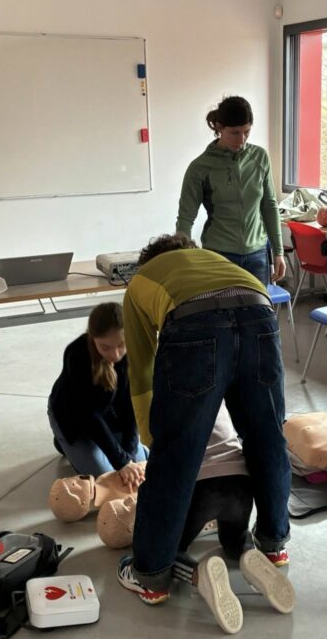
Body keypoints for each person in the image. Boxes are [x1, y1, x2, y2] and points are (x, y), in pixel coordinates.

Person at [116, 233, 292, 605]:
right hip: (259, 313)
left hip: (194, 323)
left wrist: (154, 439)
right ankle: (274, 545)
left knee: (175, 456)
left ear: (148, 262)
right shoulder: (215, 259)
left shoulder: (142, 280)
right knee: (268, 437)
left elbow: (141, 369)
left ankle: (151, 576)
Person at [115, 402, 296, 634]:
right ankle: (248, 553)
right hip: (239, 483)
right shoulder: (216, 393)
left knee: (170, 550)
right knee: (234, 537)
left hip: (199, 489)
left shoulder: (167, 398)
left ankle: (198, 574)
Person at [176, 96, 285, 285]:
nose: (241, 140)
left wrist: (279, 251)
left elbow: (269, 206)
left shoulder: (260, 158)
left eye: (246, 132)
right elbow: (186, 218)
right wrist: (183, 260)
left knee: (259, 305)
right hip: (219, 256)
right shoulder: (200, 167)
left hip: (257, 256)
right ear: (219, 128)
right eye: (234, 133)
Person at [48, 302, 146, 490]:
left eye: (121, 345)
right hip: (73, 416)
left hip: (110, 412)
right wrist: (122, 462)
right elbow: (88, 415)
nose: (115, 354)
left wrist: (129, 458)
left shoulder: (134, 350)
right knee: (105, 476)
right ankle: (63, 441)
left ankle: (85, 449)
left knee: (139, 467)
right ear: (93, 339)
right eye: (105, 347)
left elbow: (132, 406)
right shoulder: (77, 354)